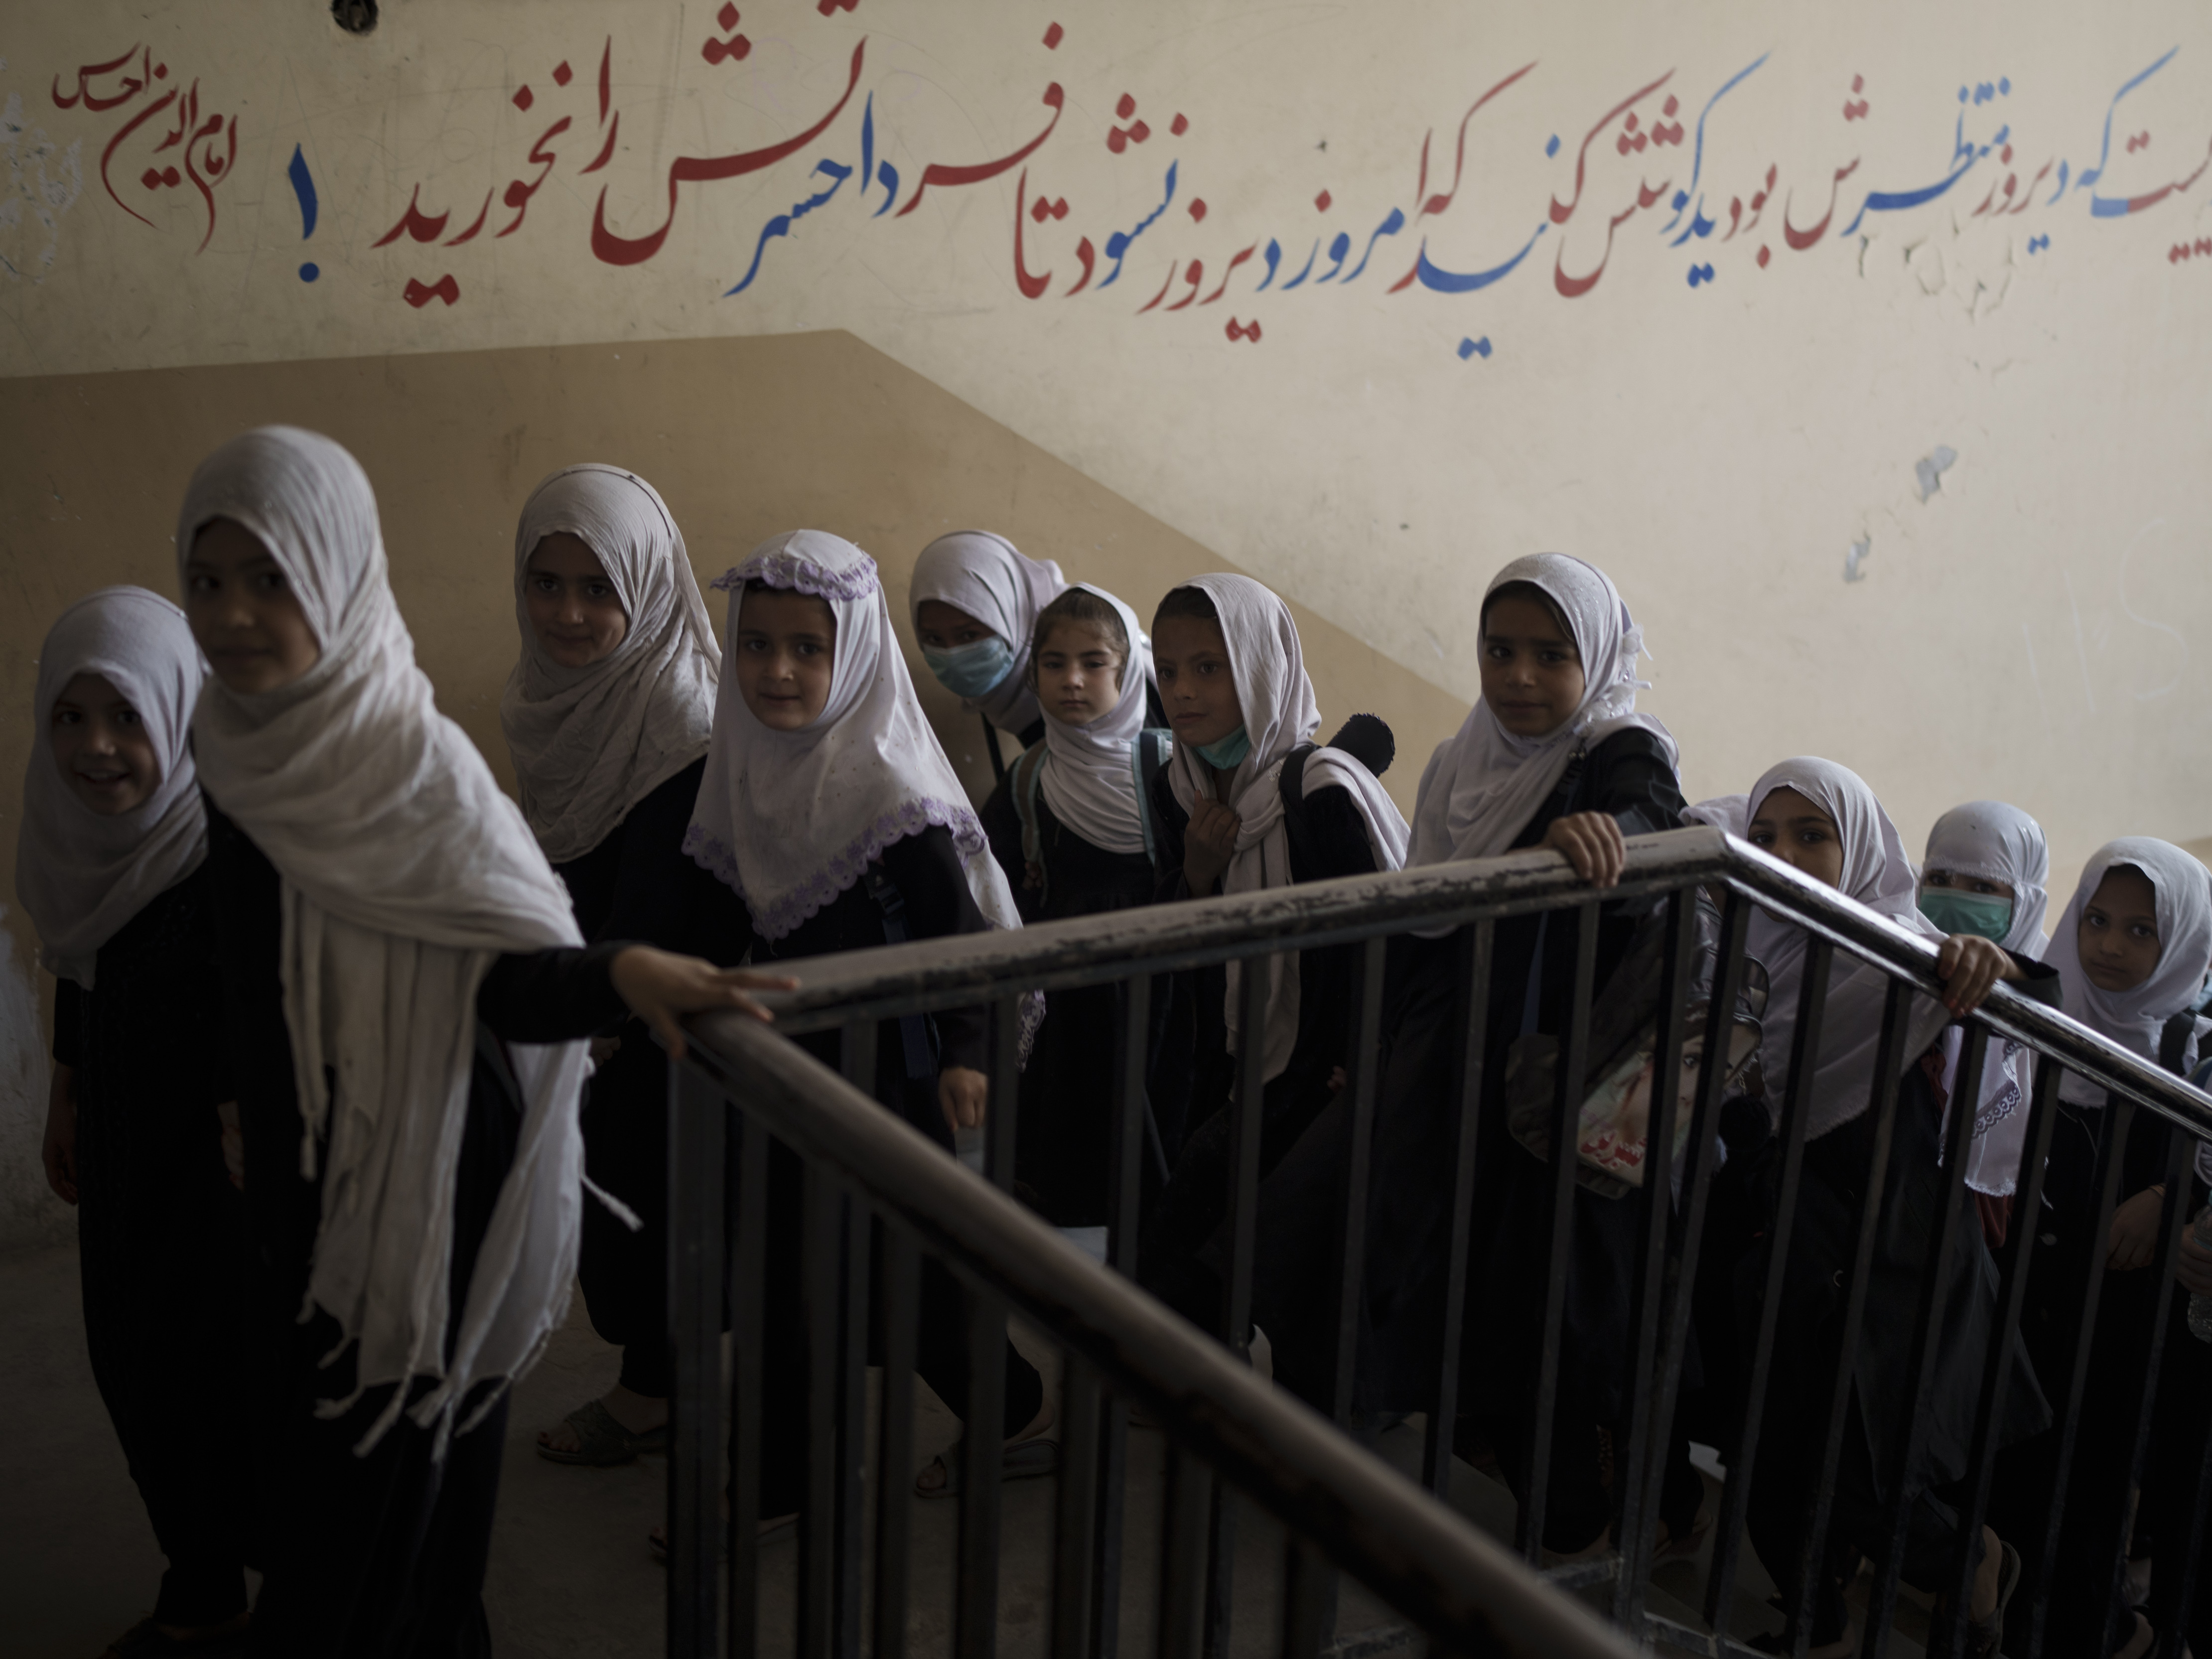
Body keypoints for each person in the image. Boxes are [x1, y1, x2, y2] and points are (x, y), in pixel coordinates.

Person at [176, 427, 787, 1654]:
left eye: (274, 579)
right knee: (358, 1490)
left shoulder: (402, 767)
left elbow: (500, 974)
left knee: (383, 1508)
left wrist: (620, 968)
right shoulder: (236, 745)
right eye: (209, 579)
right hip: (310, 1172)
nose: (236, 615)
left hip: (424, 1179)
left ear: (342, 580)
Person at [1304, 554, 1687, 1549]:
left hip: (1555, 1074)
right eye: (1499, 651)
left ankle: (1575, 1531)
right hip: (1457, 1051)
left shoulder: (1618, 748)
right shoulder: (1459, 760)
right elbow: (1422, 909)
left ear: (1594, 658)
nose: (1519, 676)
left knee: (1537, 1295)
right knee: (1427, 1253)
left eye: (1552, 655)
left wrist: (1611, 828)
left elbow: (1651, 815)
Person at [683, 529, 1054, 1507]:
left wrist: (971, 1053)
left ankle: (1006, 1415)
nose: (777, 670)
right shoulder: (751, 760)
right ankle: (791, 1474)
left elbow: (970, 940)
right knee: (804, 1274)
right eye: (756, 645)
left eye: (808, 648)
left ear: (854, 653)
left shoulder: (893, 794)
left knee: (895, 1279)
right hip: (796, 1067)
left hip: (892, 1078)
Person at [1734, 760, 2049, 1658]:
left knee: (1867, 1464)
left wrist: (1997, 968)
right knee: (1770, 1447)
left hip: (1895, 1254)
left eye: (1812, 835)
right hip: (1783, 1231)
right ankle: (1815, 1623)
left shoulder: (1911, 954)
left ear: (1864, 844)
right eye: (1766, 837)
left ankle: (1970, 1560)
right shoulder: (1754, 942)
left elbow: (2023, 1005)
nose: (1785, 856)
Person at [492, 464, 749, 1469]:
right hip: (595, 999)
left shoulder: (680, 719)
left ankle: (658, 1396)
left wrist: (604, 1020)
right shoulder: (547, 699)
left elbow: (684, 899)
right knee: (618, 1199)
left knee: (651, 1203)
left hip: (667, 1009)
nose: (568, 612)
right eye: (545, 583)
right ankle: (659, 1383)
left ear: (646, 587)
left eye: (600, 588)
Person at [21, 588, 255, 1657]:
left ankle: (246, 1587)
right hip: (123, 1147)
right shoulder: (77, 838)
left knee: (219, 1382)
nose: (97, 749)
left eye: (127, 717)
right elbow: (77, 961)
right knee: (131, 1363)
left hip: (215, 1182)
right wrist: (66, 1097)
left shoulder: (219, 862)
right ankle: (201, 1582)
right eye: (70, 717)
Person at [1135, 574, 1408, 1344]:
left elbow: (1379, 934)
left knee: (1260, 1247)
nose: (1183, 692)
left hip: (1320, 1065)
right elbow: (1172, 932)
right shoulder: (1178, 787)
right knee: (1229, 1238)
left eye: (1209, 668)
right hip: (1224, 1051)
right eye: (1170, 670)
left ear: (1261, 668)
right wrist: (1194, 870)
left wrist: (1363, 1055)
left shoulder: (1319, 790)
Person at [1990, 839, 2212, 1659]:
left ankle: (2101, 1634)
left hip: (2123, 1323)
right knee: (2018, 1468)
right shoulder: (2042, 1015)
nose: (2110, 947)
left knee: (2089, 1485)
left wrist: (2171, 1195)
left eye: (2142, 930)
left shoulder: (2191, 1045)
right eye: (2097, 921)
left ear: (2185, 939)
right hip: (2033, 1293)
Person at [998, 584, 1190, 1230]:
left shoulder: (1169, 768)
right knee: (1062, 1135)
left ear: (1128, 668)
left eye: (1093, 662)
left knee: (1141, 1129)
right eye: (1053, 664)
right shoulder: (1030, 776)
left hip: (1151, 988)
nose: (1072, 681)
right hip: (1066, 997)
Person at [1918, 801, 2054, 1243]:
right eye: (1938, 880)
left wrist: (2009, 971)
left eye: (1981, 886)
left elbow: (2046, 1000)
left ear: (2026, 901)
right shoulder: (1895, 964)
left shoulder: (2043, 990)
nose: (1954, 896)